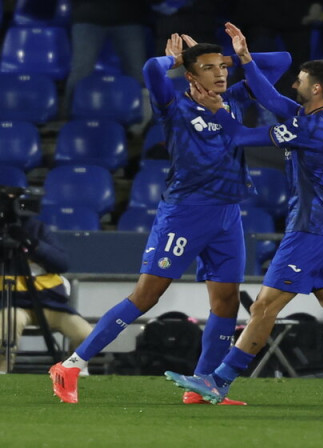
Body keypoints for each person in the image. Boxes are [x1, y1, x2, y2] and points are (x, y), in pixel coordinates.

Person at [48, 31, 292, 405]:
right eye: (209, 68)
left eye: (222, 67)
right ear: (192, 76)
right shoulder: (173, 106)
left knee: (226, 301)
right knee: (146, 296)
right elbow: (150, 68)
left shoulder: (237, 99)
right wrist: (176, 61)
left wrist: (239, 54)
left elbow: (282, 60)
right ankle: (71, 365)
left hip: (228, 215)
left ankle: (203, 384)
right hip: (184, 214)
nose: (220, 74)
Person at [164, 23, 323, 406]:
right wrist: (244, 57)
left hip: (309, 231)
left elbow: (241, 137)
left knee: (264, 306)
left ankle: (219, 381)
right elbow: (271, 100)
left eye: (300, 80)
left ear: (316, 88)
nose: (293, 83)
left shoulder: (309, 128)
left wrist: (217, 109)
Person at [0, 214, 92, 374]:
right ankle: (2, 372)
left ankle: (74, 374)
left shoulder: (37, 228)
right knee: (9, 323)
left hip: (48, 304)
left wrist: (33, 243)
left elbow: (62, 263)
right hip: (12, 304)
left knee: (86, 334)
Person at [61, 0, 149, 118]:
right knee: (81, 70)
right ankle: (69, 116)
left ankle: (143, 118)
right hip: (88, 17)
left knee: (138, 72)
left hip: (129, 18)